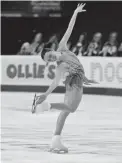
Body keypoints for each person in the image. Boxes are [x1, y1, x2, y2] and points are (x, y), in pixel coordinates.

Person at [32, 3, 98, 153]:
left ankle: (56, 139)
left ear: (52, 50)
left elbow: (70, 29)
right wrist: (46, 95)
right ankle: (46, 106)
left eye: (50, 56)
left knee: (66, 111)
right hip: (73, 84)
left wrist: (75, 12)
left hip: (77, 82)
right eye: (49, 60)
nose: (51, 59)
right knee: (70, 109)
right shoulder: (60, 65)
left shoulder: (62, 46)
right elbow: (55, 82)